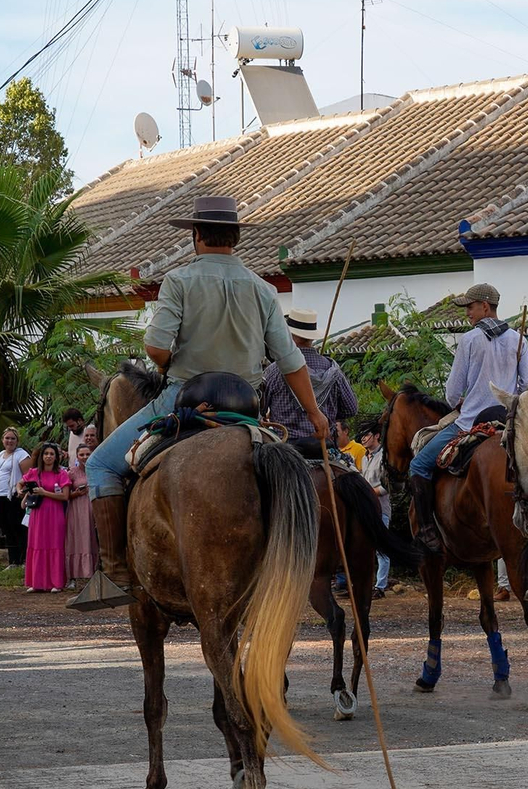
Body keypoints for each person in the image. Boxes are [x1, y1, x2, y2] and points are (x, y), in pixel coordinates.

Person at [83, 196, 328, 608]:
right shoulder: (263, 289)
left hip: (186, 399)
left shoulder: (179, 281)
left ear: (196, 235)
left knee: (100, 465)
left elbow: (156, 347)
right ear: (234, 238)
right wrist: (315, 413)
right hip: (246, 407)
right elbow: (290, 361)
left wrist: (172, 361)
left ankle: (116, 573)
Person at [408, 281, 528, 554]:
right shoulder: (518, 339)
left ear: (485, 306)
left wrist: (460, 403)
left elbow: (453, 391)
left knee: (418, 465)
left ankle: (427, 531)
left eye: (470, 307)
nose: (467, 313)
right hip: (508, 420)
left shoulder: (469, 339)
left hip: (472, 422)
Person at [261, 307, 358, 442]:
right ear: (311, 337)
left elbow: (260, 410)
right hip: (323, 445)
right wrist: (328, 413)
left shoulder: (274, 371)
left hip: (286, 448)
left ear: (289, 336)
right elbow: (351, 409)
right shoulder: (334, 370)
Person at [22, 442, 72, 592]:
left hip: (55, 513)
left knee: (55, 545)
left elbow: (65, 496)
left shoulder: (61, 474)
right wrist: (23, 493)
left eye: (51, 454)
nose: (48, 456)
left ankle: (56, 583)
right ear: (41, 456)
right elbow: (21, 484)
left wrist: (44, 493)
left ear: (56, 457)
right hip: (37, 513)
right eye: (46, 454)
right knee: (37, 544)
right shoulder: (34, 472)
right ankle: (36, 582)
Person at [358, 423, 392, 599]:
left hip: (381, 508)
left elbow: (388, 486)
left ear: (377, 436)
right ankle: (366, 584)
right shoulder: (365, 457)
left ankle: (380, 586)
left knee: (381, 549)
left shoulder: (384, 456)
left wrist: (367, 492)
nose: (363, 438)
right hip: (365, 507)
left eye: (367, 435)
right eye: (362, 436)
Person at [0, 429, 30, 567]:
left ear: (17, 441)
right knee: (6, 528)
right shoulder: (1, 454)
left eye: (13, 438)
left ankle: (23, 559)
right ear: (2, 440)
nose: (10, 441)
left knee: (17, 527)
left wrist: (22, 492)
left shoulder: (22, 455)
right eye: (7, 438)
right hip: (0, 496)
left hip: (14, 496)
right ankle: (13, 561)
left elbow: (28, 477)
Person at [65, 443, 96, 584]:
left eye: (87, 454)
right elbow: (65, 495)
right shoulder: (71, 472)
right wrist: (76, 493)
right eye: (81, 454)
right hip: (76, 509)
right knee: (76, 539)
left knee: (91, 538)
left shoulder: (96, 469)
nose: (84, 457)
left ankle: (92, 572)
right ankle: (73, 575)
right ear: (77, 456)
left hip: (93, 508)